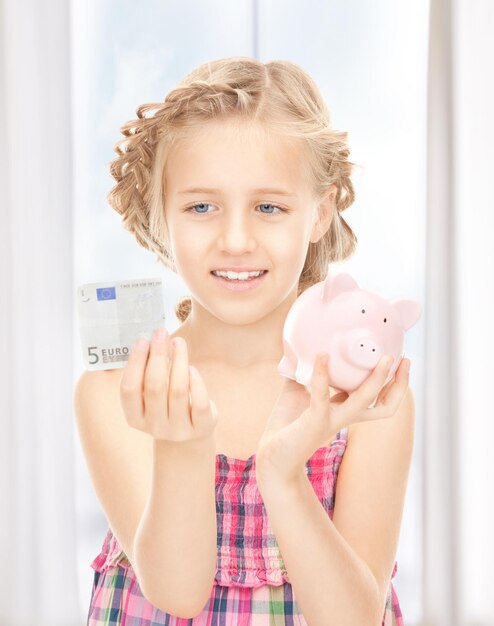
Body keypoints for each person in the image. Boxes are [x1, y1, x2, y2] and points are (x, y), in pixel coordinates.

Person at [74, 56, 414, 626]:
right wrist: (181, 445)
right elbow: (178, 594)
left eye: (269, 207)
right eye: (201, 207)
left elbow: (354, 618)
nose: (235, 239)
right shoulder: (118, 393)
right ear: (163, 215)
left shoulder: (365, 397)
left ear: (320, 212)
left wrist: (283, 473)